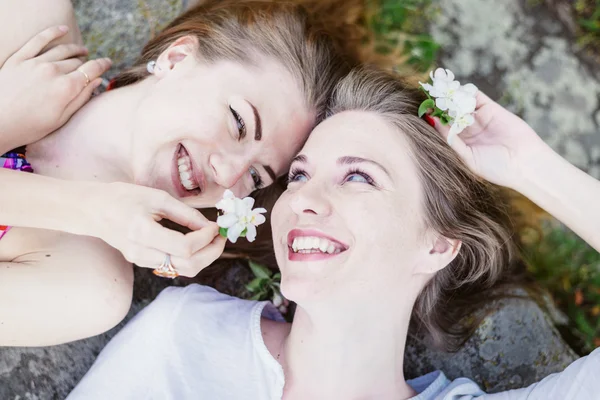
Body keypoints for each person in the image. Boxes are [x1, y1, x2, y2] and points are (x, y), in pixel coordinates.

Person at [65, 68, 600, 399]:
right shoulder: (185, 337)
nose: (302, 200)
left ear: (436, 244)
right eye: (298, 174)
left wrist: (530, 167)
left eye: (359, 177)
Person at [0, 0, 359, 346]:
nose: (228, 174)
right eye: (238, 122)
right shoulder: (34, 22)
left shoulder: (87, 287)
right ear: (177, 58)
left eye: (256, 176)